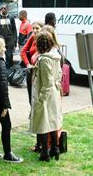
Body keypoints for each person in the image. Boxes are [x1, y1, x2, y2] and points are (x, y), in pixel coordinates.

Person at [30, 31, 63, 162]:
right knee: (53, 121)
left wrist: (40, 98)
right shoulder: (55, 55)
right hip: (54, 92)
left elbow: (46, 81)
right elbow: (58, 74)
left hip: (45, 94)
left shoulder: (44, 59)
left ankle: (45, 153)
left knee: (43, 124)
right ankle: (55, 148)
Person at [20, 21, 44, 106]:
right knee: (30, 95)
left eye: (37, 28)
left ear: (42, 29)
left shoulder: (45, 40)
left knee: (39, 95)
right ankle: (32, 114)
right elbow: (22, 52)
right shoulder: (33, 37)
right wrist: (27, 64)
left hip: (40, 71)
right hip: (31, 70)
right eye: (33, 28)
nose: (34, 30)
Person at [0, 4, 17, 69]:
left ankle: (10, 68)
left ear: (7, 9)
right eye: (2, 8)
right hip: (1, 39)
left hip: (10, 39)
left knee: (9, 55)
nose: (3, 10)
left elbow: (14, 29)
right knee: (1, 55)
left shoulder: (11, 17)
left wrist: (15, 41)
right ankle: (3, 69)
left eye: (4, 8)